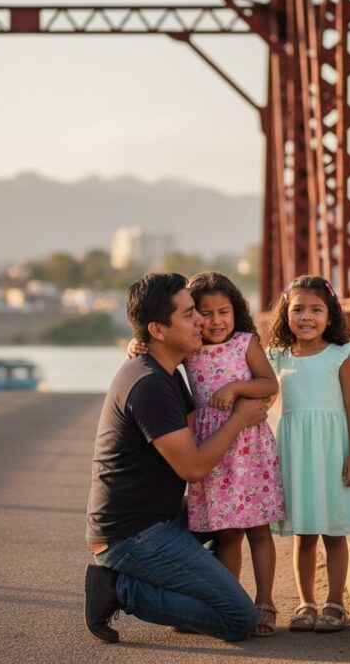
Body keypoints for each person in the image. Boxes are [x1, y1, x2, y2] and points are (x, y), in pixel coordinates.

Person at [84, 272, 268, 643]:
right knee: (238, 619)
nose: (202, 320)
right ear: (158, 329)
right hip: (132, 536)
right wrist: (239, 420)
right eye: (189, 315)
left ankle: (192, 591)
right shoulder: (149, 384)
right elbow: (195, 467)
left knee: (228, 517)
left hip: (163, 518)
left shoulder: (167, 372)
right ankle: (120, 588)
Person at [128, 271, 285, 637]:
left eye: (224, 312)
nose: (216, 321)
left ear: (236, 312)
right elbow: (158, 350)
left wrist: (235, 387)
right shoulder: (191, 349)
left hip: (249, 448)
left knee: (259, 529)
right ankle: (228, 601)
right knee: (227, 532)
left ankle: (265, 602)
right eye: (206, 313)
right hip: (214, 451)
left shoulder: (245, 343)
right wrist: (133, 347)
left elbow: (269, 383)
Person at [267, 275, 350, 633]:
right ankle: (306, 602)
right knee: (304, 534)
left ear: (330, 315)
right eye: (298, 309)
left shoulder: (339, 355)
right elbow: (260, 388)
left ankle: (335, 603)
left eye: (316, 309)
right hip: (297, 452)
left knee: (334, 531)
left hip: (331, 449)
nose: (306, 317)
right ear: (285, 314)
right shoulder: (278, 356)